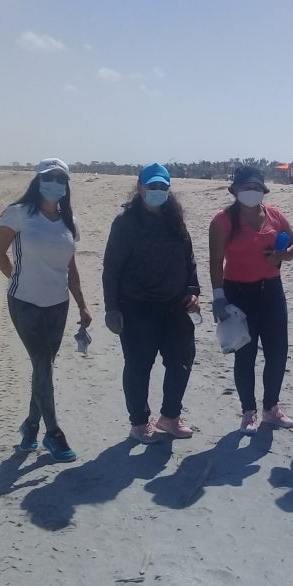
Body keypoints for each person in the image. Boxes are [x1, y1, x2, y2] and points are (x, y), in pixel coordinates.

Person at [0, 158, 91, 462]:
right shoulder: (19, 214)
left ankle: (31, 426)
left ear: (67, 186)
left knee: (43, 366)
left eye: (62, 179)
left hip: (57, 304)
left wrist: (83, 304)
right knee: (42, 364)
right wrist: (18, 279)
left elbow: (71, 268)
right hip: (25, 303)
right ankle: (53, 433)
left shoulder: (68, 222)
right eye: (50, 178)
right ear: (38, 180)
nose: (56, 184)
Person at [103, 163, 200, 443]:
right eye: (152, 186)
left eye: (163, 186)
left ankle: (170, 417)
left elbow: (189, 260)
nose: (158, 191)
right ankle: (139, 423)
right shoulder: (125, 222)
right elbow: (112, 268)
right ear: (140, 187)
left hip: (175, 306)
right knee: (138, 365)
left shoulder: (175, 219)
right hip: (137, 307)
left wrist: (193, 291)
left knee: (182, 361)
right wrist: (112, 308)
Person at [209, 165, 293, 434]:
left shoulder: (275, 215)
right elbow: (215, 261)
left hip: (271, 291)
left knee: (277, 352)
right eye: (246, 187)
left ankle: (271, 408)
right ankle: (248, 411)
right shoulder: (223, 220)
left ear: (264, 190)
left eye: (256, 187)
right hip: (238, 293)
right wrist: (218, 297)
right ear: (235, 190)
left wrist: (281, 256)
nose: (251, 192)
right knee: (245, 355)